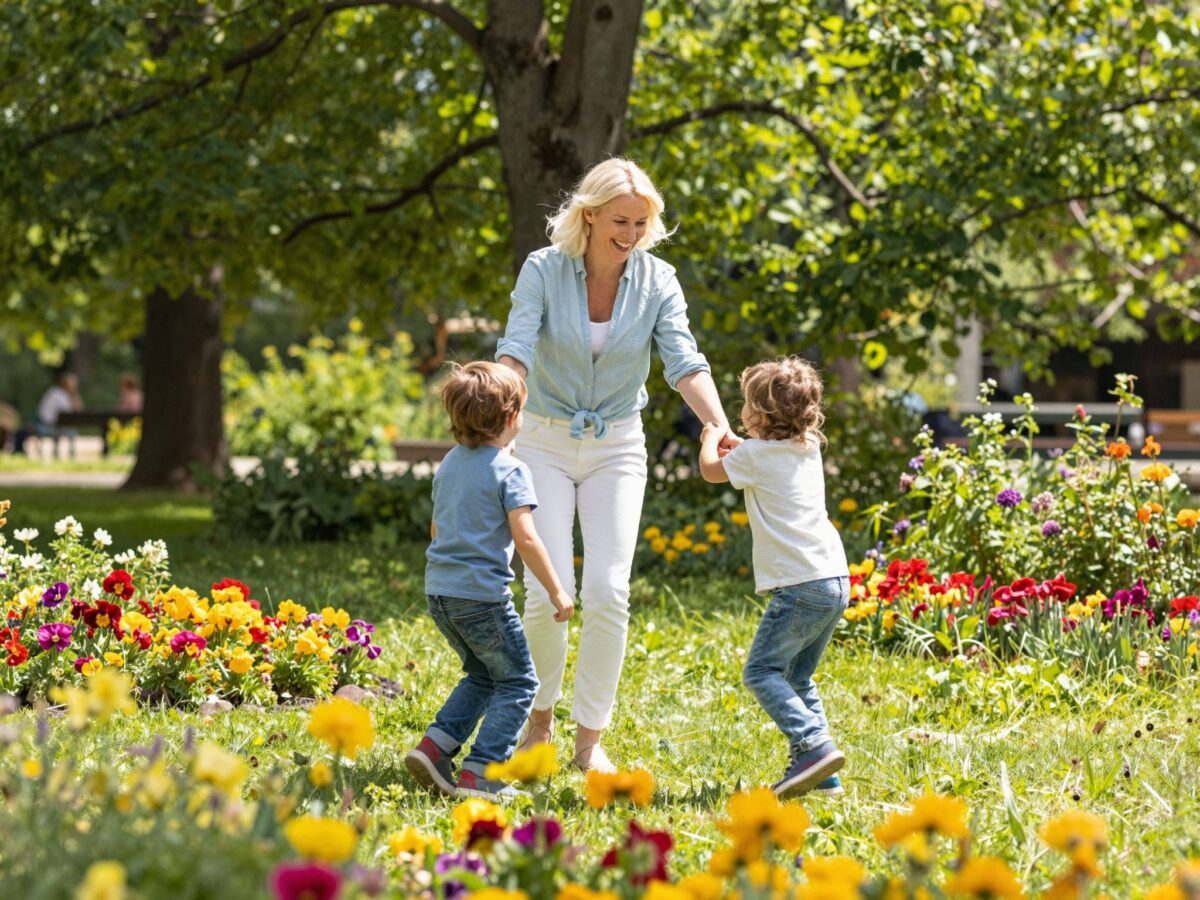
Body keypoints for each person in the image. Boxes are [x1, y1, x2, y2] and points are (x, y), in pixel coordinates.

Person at [495, 157, 736, 772]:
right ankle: (537, 721)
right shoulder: (544, 271)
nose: (630, 233)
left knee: (608, 589)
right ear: (590, 214)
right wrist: (497, 417)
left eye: (641, 222)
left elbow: (684, 361)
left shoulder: (659, 281)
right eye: (619, 221)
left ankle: (588, 740)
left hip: (618, 445)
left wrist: (717, 422)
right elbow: (516, 348)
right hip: (544, 439)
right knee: (548, 592)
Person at [406, 361, 575, 802]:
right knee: (520, 682)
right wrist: (557, 589)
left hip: (440, 592)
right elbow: (526, 537)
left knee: (482, 674)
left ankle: (435, 747)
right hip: (483, 599)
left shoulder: (449, 464)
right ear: (510, 417)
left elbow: (436, 530)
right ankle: (481, 774)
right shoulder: (510, 470)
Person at [698, 357, 851, 799]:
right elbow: (752, 458)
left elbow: (712, 470)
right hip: (833, 579)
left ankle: (814, 746)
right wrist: (738, 446)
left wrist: (710, 438)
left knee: (762, 671)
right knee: (798, 678)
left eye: (746, 404)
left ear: (762, 415)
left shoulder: (756, 455)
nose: (740, 410)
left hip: (799, 586)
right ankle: (825, 776)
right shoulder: (807, 447)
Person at [35, 371, 82, 458]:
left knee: (71, 429)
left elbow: (77, 410)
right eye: (72, 385)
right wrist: (74, 394)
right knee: (71, 430)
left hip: (55, 424)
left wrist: (74, 394)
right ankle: (68, 454)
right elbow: (72, 412)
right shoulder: (58, 395)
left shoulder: (60, 393)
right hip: (49, 425)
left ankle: (64, 453)